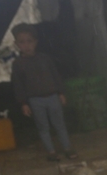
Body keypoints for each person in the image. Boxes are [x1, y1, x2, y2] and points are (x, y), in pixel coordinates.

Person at [10, 24, 77, 161]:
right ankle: (51, 152)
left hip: (52, 97)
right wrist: (23, 103)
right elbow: (18, 85)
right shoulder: (18, 64)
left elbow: (55, 76)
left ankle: (68, 149)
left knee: (60, 124)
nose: (26, 45)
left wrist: (61, 93)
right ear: (16, 44)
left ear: (35, 42)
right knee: (43, 127)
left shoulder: (45, 58)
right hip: (35, 101)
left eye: (29, 41)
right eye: (22, 42)